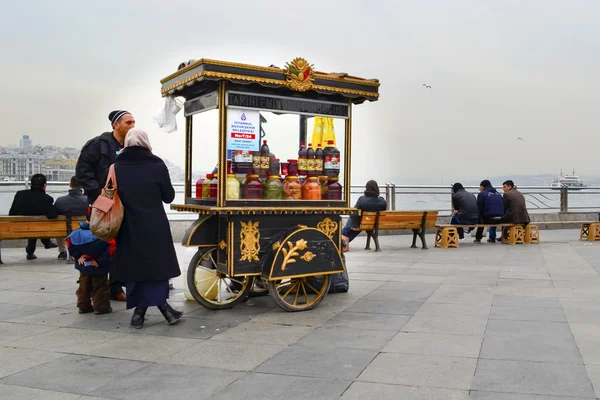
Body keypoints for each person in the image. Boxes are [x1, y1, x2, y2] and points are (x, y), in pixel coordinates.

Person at [113, 128, 182, 329]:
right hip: (154, 224)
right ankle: (165, 311)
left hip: (128, 225)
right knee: (157, 268)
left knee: (136, 268)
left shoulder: (116, 167)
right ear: (145, 142)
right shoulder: (157, 164)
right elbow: (168, 196)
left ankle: (140, 313)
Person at [76, 110, 134, 301]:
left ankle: (115, 287)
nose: (132, 125)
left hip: (123, 203)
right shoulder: (97, 145)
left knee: (119, 246)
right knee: (99, 244)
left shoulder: (131, 145)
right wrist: (98, 195)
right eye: (128, 122)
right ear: (116, 125)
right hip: (101, 202)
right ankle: (91, 289)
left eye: (133, 122)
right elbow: (83, 172)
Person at [66, 207, 113, 315]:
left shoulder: (76, 233)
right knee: (100, 285)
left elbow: (70, 246)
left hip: (83, 264)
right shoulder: (104, 234)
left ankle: (83, 306)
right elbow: (108, 250)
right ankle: (101, 307)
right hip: (98, 265)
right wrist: (99, 261)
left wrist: (78, 257)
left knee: (84, 284)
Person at [8, 174, 59, 260]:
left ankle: (34, 249)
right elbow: (53, 215)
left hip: (18, 229)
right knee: (38, 225)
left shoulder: (19, 194)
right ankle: (46, 241)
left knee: (32, 225)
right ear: (44, 185)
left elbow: (12, 213)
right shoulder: (46, 199)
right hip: (37, 229)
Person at [341, 180, 387, 251]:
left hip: (361, 223)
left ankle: (341, 239)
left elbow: (354, 212)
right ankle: (343, 240)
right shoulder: (382, 201)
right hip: (374, 224)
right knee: (358, 222)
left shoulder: (362, 200)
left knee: (352, 221)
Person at [54, 176, 89, 260]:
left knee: (59, 224)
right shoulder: (87, 201)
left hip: (64, 230)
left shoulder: (60, 201)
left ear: (70, 185)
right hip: (81, 229)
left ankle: (62, 251)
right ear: (81, 186)